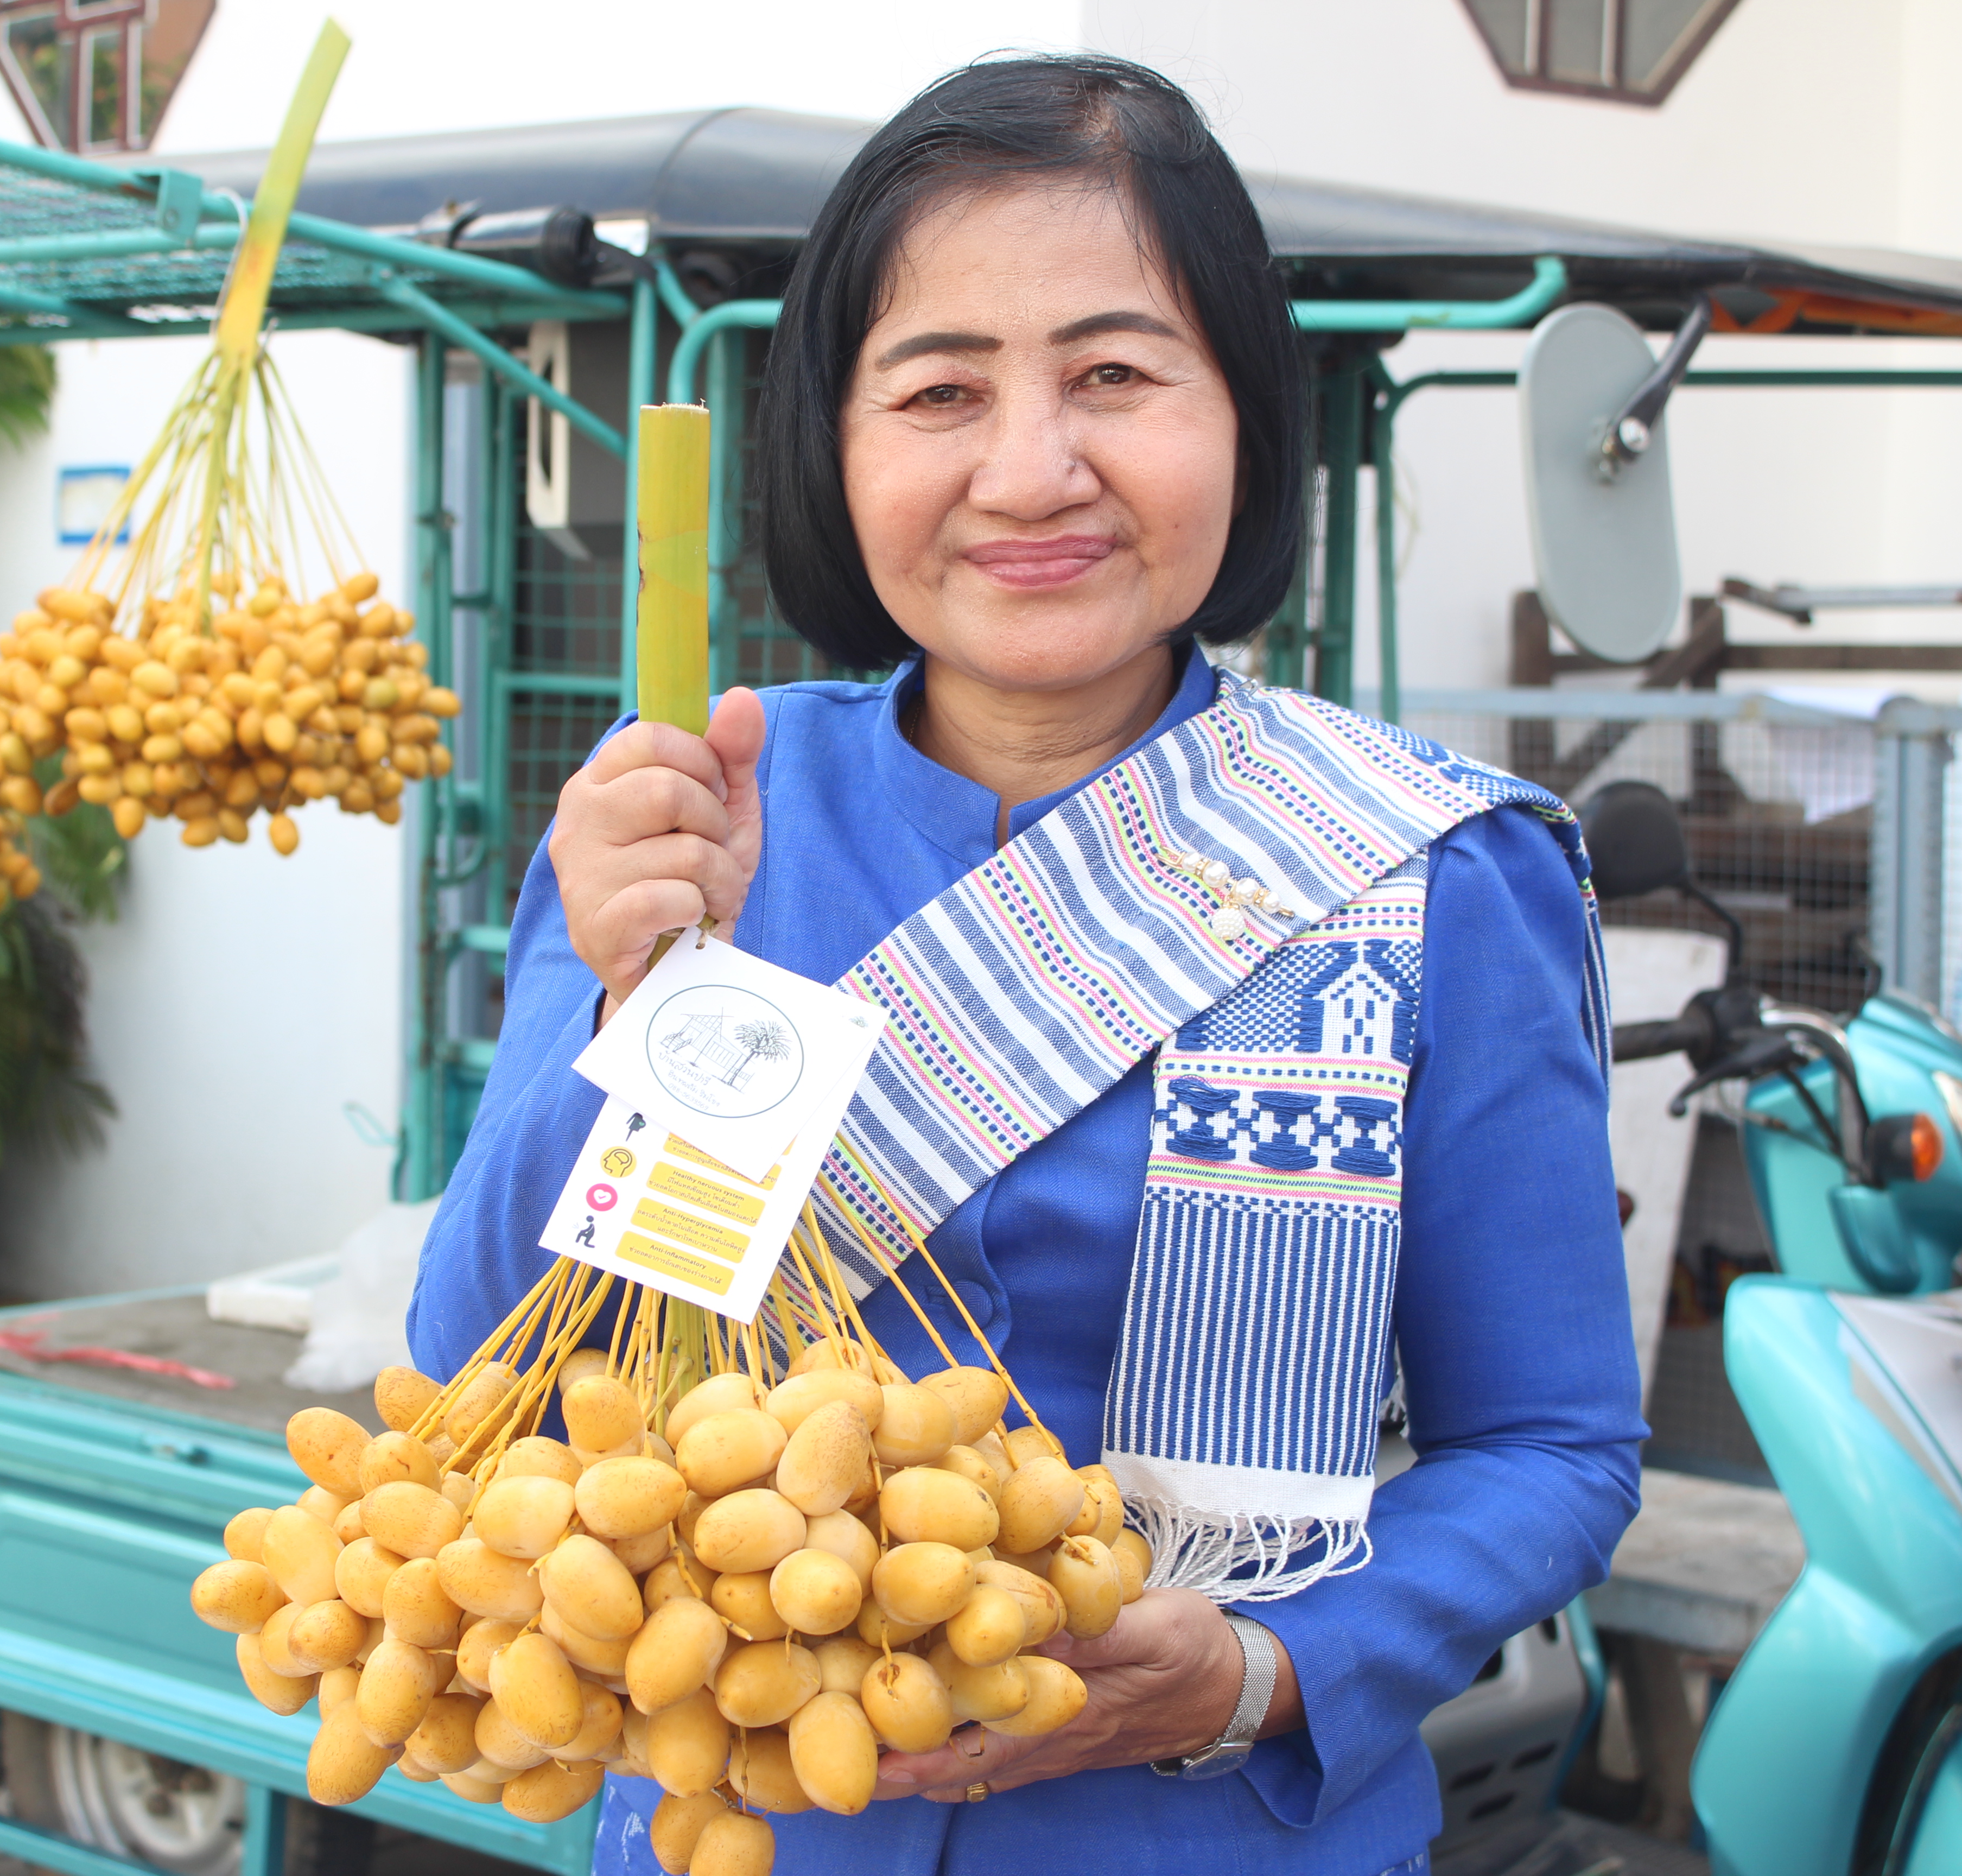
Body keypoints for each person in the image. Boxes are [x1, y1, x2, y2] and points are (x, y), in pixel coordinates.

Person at [408, 52, 1641, 1876]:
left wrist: (1265, 1668)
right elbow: (476, 1371)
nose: (1030, 468)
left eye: (1117, 376)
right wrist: (620, 1001)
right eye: (940, 389)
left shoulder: (1433, 874)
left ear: (1246, 419)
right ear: (837, 441)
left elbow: (1549, 1445)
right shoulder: (681, 819)